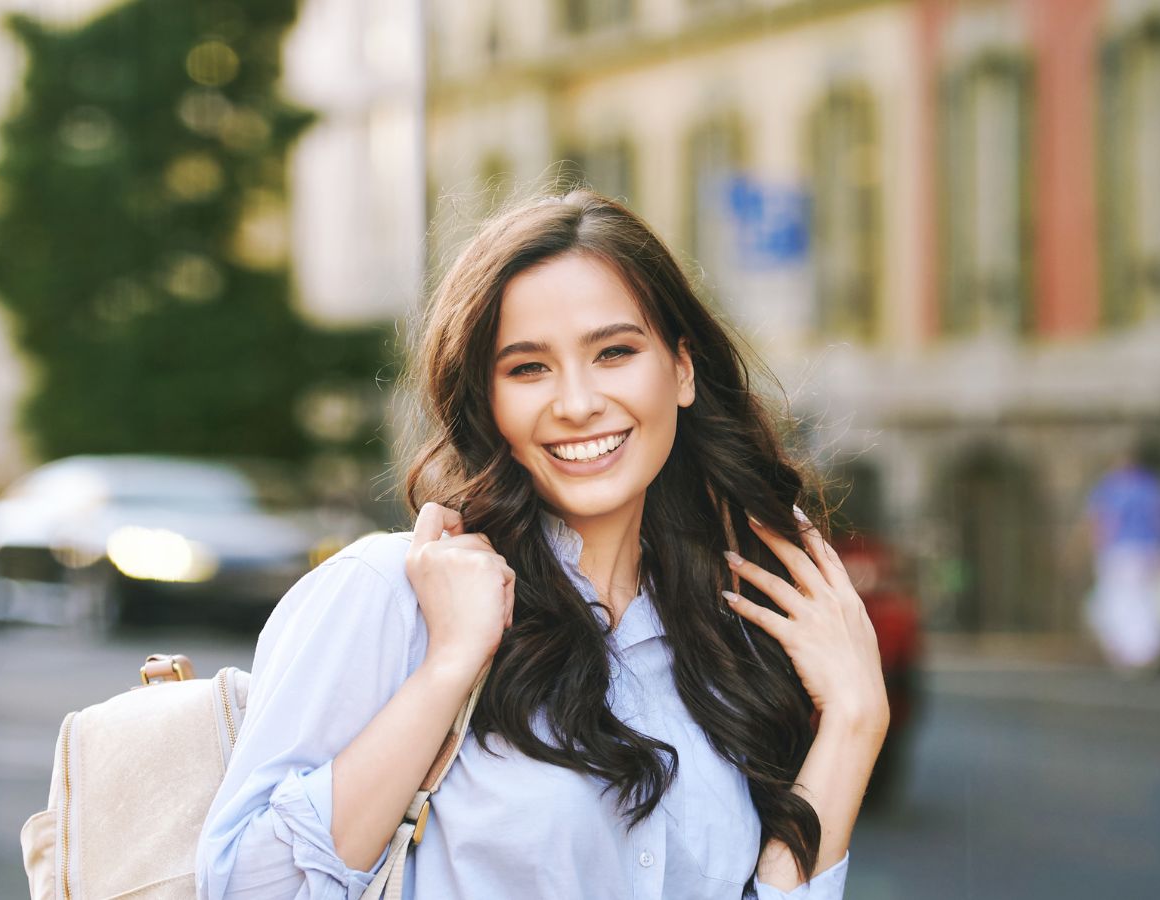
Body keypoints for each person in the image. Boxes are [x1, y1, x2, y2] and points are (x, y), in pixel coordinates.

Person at [197, 191, 889, 899]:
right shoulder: (391, 593)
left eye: (614, 352)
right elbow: (248, 887)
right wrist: (448, 666)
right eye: (528, 368)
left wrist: (856, 720)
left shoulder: (718, 639)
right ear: (485, 400)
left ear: (681, 369)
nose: (578, 401)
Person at [1083, 437, 1160, 674]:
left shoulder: (1110, 486)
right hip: (1147, 550)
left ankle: (1127, 652)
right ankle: (1148, 651)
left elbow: (1101, 521)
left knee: (1119, 600)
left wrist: (1096, 546)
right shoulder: (1150, 485)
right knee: (1145, 600)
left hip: (1119, 551)